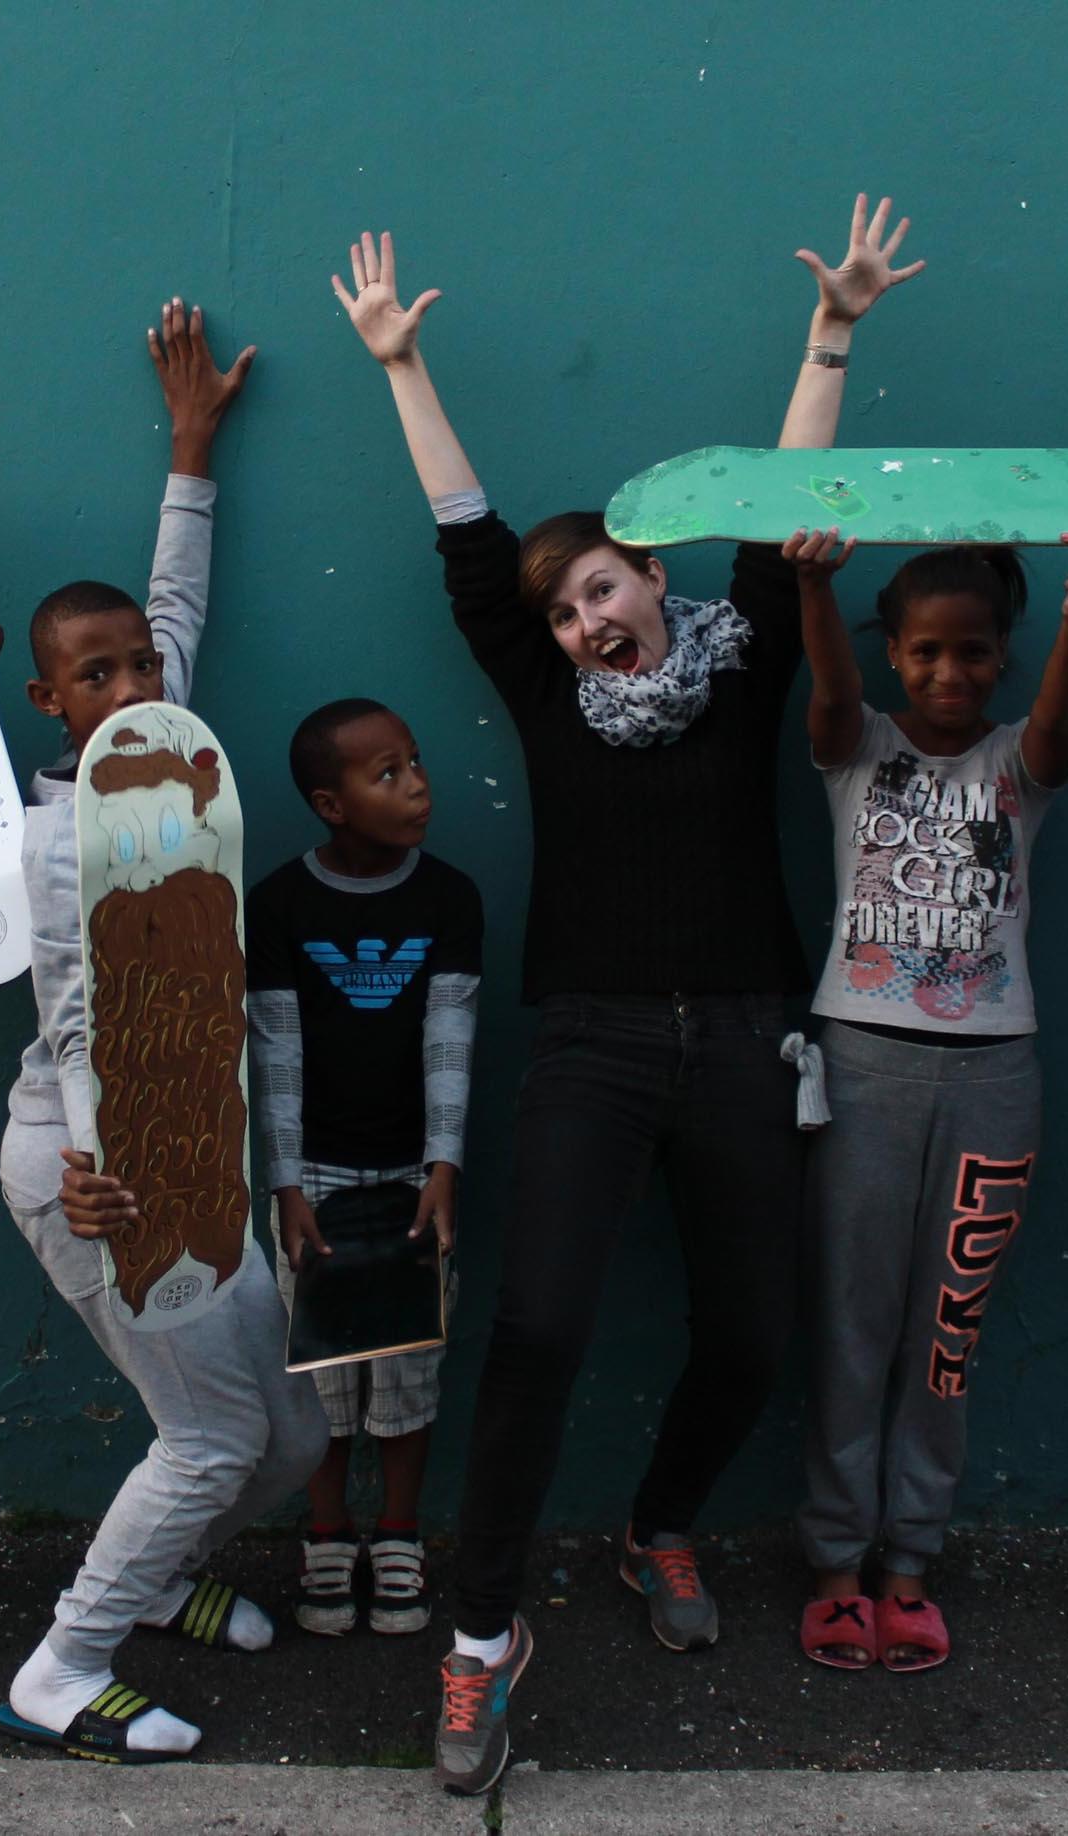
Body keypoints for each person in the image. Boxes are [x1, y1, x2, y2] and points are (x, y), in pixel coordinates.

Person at [333, 196, 925, 1793]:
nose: (588, 622)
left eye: (603, 587)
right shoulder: (546, 689)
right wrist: (403, 365)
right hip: (591, 1046)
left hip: (743, 1039)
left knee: (749, 1333)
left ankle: (658, 1524)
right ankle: (479, 1644)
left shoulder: (743, 660)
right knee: (536, 1332)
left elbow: (785, 500)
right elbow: (468, 544)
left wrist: (835, 333)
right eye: (566, 612)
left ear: (648, 577)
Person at [0, 300, 329, 1764]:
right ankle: (60, 1668)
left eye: (138, 665)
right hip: (100, 1163)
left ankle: (167, 1581)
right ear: (47, 703)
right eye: (101, 677)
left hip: (192, 1140)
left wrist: (191, 446)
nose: (135, 687)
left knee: (298, 1435)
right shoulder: (51, 843)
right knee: (211, 1439)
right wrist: (88, 1162)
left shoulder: (166, 752)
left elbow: (173, 603)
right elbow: (79, 1027)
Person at [785, 524, 1068, 1672]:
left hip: (994, 1077)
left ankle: (909, 1561)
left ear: (1002, 657)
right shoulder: (856, 750)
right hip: (861, 1068)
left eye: (971, 655)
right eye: (923, 654)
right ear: (892, 656)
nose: (948, 675)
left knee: (943, 1333)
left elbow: (1054, 721)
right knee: (851, 1328)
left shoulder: (1018, 764)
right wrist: (812, 585)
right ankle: (836, 1566)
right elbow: (830, 689)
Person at [245, 697, 483, 1636]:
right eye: (386, 773)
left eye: (416, 760)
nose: (417, 783)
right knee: (324, 1376)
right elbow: (274, 1049)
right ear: (329, 804)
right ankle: (328, 1532)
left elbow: (452, 1035)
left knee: (409, 1369)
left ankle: (397, 1533)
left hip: (414, 1177)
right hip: (317, 1184)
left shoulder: (449, 897)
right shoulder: (279, 903)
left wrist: (444, 1166)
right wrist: (289, 1184)